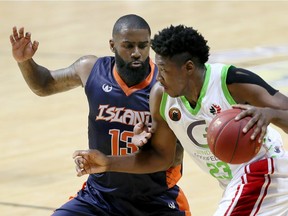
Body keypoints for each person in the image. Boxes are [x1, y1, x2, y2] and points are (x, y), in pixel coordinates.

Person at [73, 25, 288, 215]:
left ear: (188, 68)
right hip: (234, 183)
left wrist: (271, 114)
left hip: (265, 169)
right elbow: (161, 158)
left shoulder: (230, 81)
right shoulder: (161, 97)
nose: (158, 77)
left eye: (164, 70)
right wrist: (108, 162)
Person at [10, 16, 191, 216]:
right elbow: (44, 85)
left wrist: (148, 144)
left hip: (156, 200)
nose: (136, 53)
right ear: (112, 45)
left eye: (143, 46)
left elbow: (173, 156)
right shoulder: (91, 69)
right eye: (128, 46)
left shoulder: (165, 86)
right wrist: (25, 62)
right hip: (99, 198)